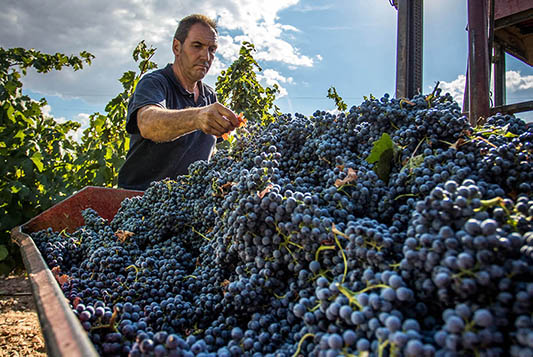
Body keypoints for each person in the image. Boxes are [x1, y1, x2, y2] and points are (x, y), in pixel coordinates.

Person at [118, 14, 240, 191]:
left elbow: (207, 152)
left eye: (212, 49)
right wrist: (196, 117)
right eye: (197, 46)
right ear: (177, 47)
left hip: (187, 205)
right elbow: (147, 122)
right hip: (139, 202)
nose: (206, 57)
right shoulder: (156, 82)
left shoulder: (209, 96)